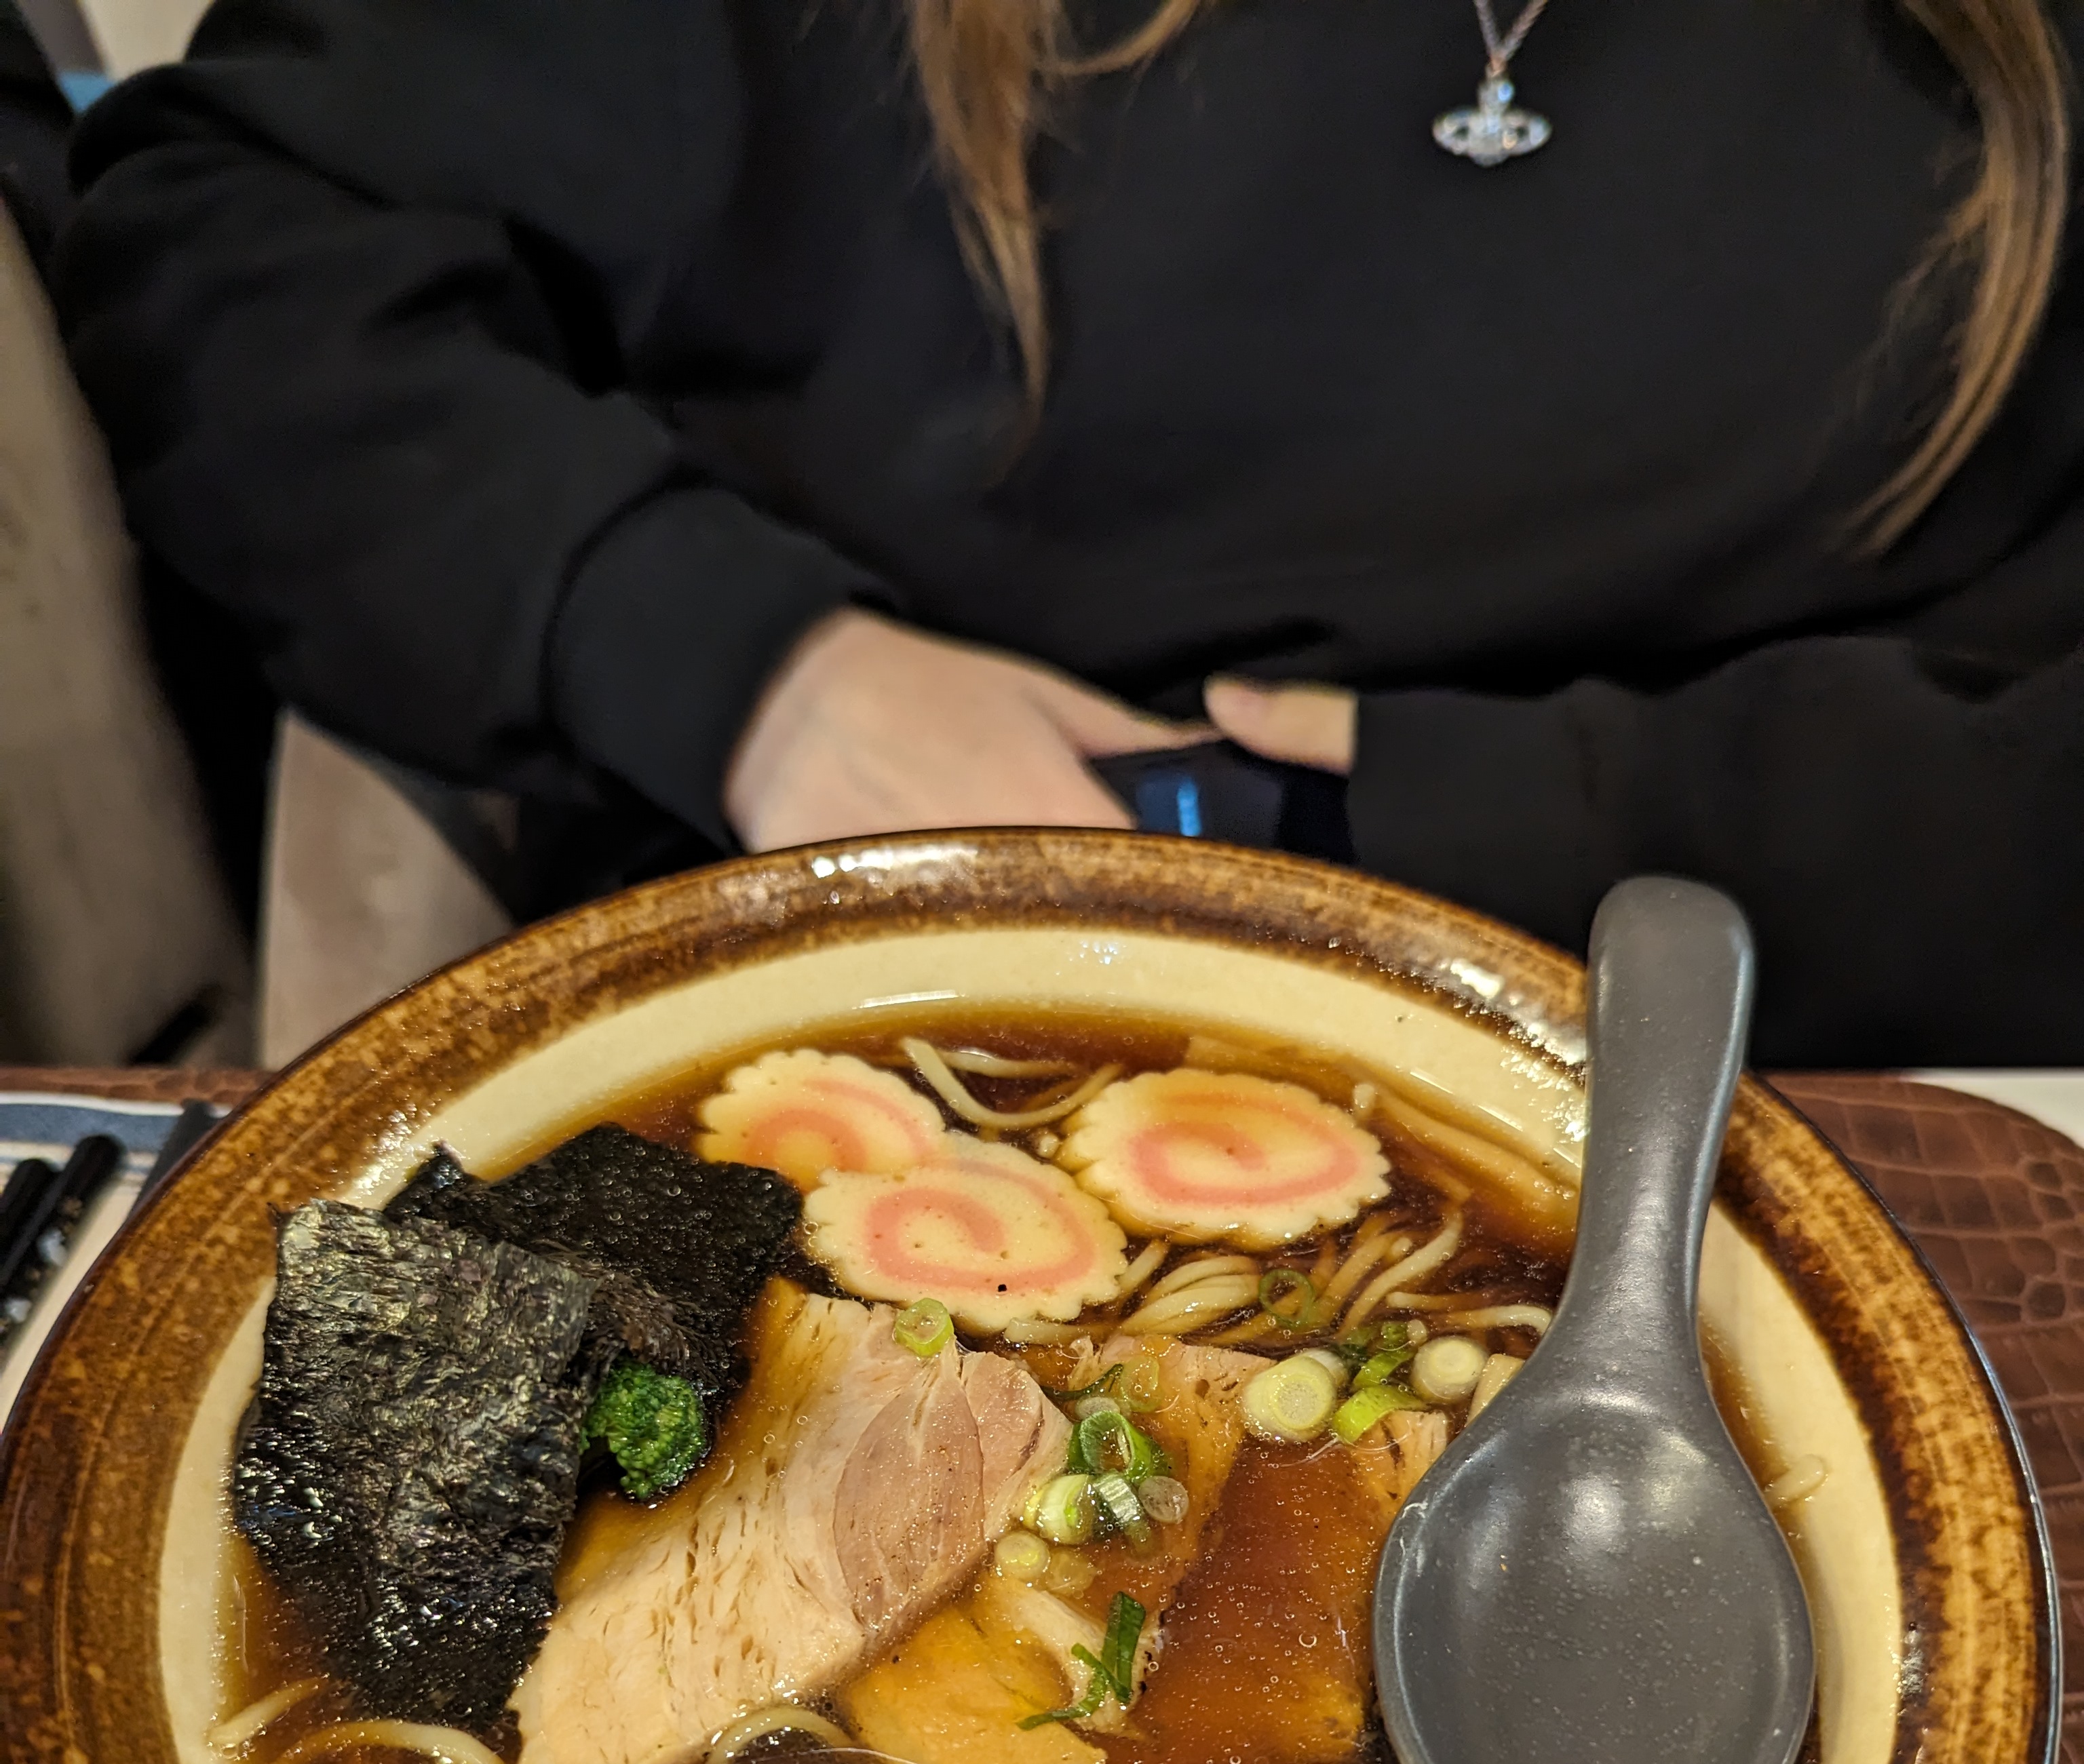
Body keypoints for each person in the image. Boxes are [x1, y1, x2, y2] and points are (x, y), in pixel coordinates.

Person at [52, 0, 2084, 1063]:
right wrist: (746, 671)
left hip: (1824, 1039)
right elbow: (228, 251)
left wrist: (1499, 822)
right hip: (878, 985)